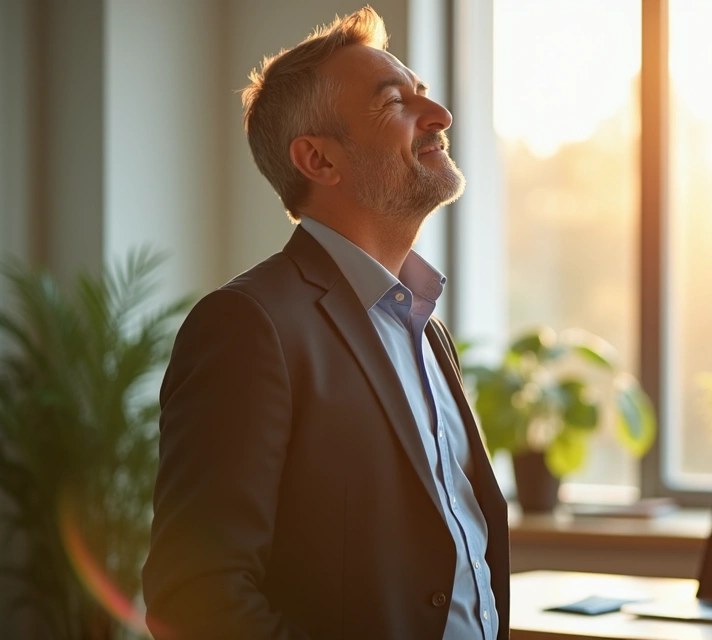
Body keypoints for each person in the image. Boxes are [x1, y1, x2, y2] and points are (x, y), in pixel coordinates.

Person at [140, 7, 509, 639]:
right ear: (319, 159)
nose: (439, 114)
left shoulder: (424, 326)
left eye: (423, 92)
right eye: (396, 101)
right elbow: (195, 596)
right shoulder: (249, 326)